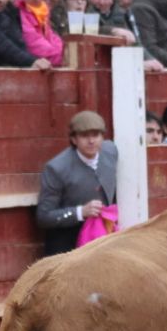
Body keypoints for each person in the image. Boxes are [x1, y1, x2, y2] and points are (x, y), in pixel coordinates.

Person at [36, 109, 118, 257]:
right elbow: (44, 216)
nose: (91, 141)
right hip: (67, 240)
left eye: (96, 135)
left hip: (103, 234)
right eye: (85, 136)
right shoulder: (57, 168)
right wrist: (80, 212)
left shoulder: (111, 151)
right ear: (74, 139)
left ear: (102, 137)